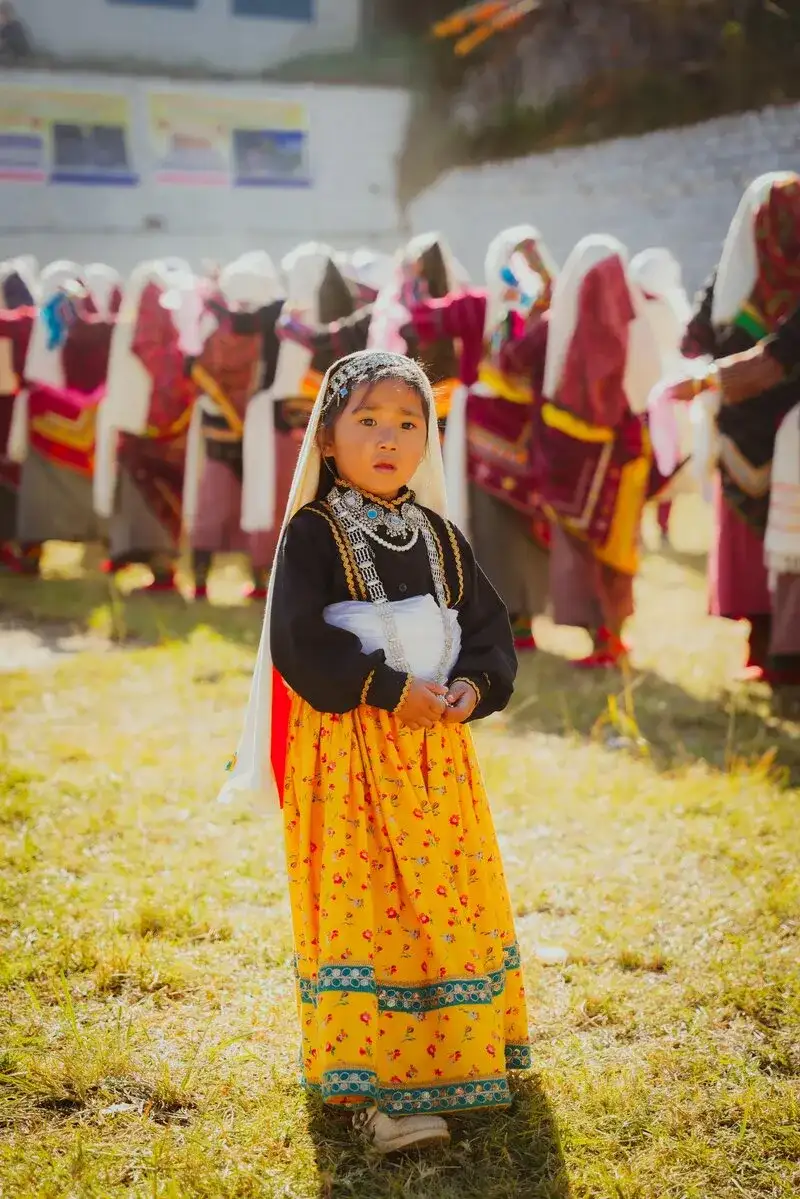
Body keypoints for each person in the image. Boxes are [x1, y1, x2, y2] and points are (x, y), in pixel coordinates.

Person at [222, 349, 529, 1154]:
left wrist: (472, 687)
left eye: (408, 424)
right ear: (325, 439)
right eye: (367, 421)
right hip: (352, 757)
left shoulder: (438, 534)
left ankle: (458, 1057)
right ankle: (369, 1089)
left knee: (440, 901)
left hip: (435, 762)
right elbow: (295, 639)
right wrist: (388, 689)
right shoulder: (315, 532)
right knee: (367, 910)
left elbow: (491, 631)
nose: (389, 439)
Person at [402, 225, 558, 651]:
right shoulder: (546, 311)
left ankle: (504, 619)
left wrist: (415, 278)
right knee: (518, 519)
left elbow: (420, 317)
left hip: (484, 435)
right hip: (528, 432)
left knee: (491, 523)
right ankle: (521, 620)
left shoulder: (475, 305)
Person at [675, 173, 800, 683]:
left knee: (787, 539)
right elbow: (693, 334)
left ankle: (785, 654)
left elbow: (780, 354)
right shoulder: (732, 273)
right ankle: (763, 644)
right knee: (753, 545)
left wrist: (708, 378)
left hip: (790, 433)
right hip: (740, 431)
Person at [539, 235, 663, 667]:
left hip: (601, 449)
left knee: (607, 546)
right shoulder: (633, 320)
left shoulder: (599, 318)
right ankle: (607, 637)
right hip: (616, 448)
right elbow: (648, 383)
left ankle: (608, 639)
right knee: (606, 545)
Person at [185, 252, 285, 601]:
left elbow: (194, 367)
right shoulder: (275, 319)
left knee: (216, 502)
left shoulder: (213, 319)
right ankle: (255, 583)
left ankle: (203, 582)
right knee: (255, 501)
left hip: (228, 423)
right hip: (255, 425)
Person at [11, 261, 120, 572]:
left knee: (41, 491)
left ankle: (32, 555)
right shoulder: (97, 324)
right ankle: (101, 545)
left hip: (46, 419)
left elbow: (35, 370)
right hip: (91, 418)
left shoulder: (44, 319)